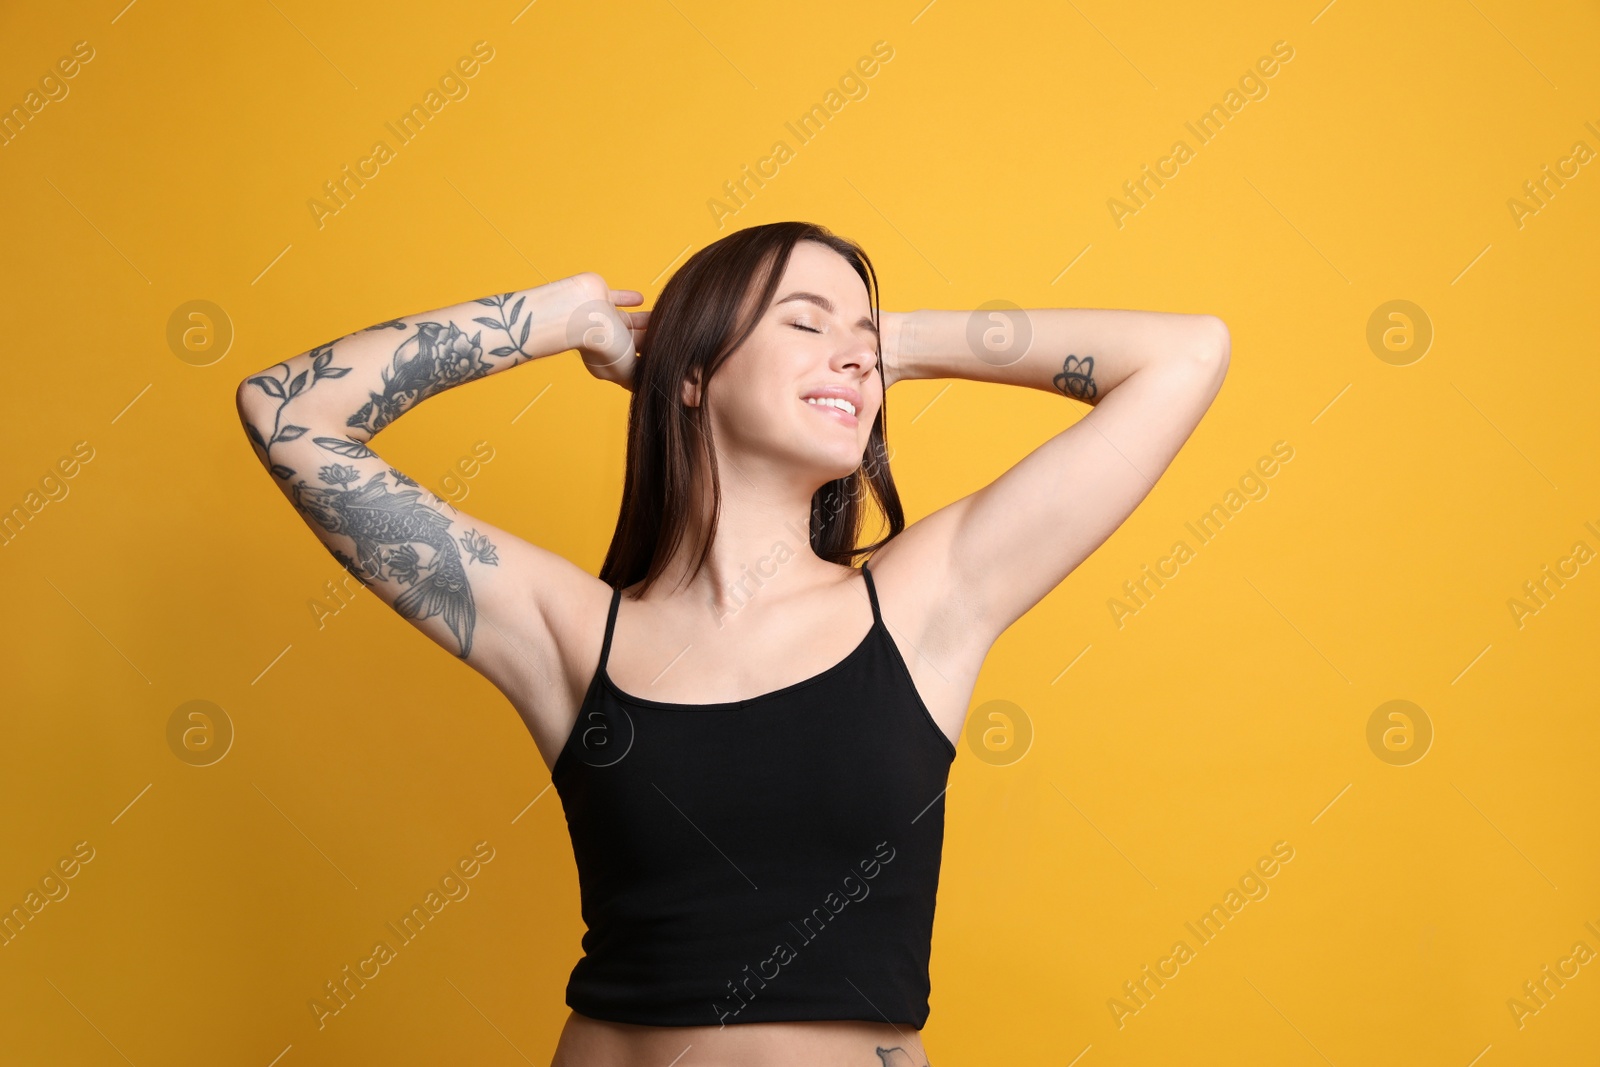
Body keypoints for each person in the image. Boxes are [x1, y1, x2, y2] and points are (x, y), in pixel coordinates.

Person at [235, 220, 1229, 1066]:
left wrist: (893, 343)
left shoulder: (927, 598)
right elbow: (285, 411)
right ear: (693, 374)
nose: (851, 354)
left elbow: (1185, 355)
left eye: (862, 338)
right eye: (804, 322)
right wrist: (561, 316)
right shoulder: (569, 632)